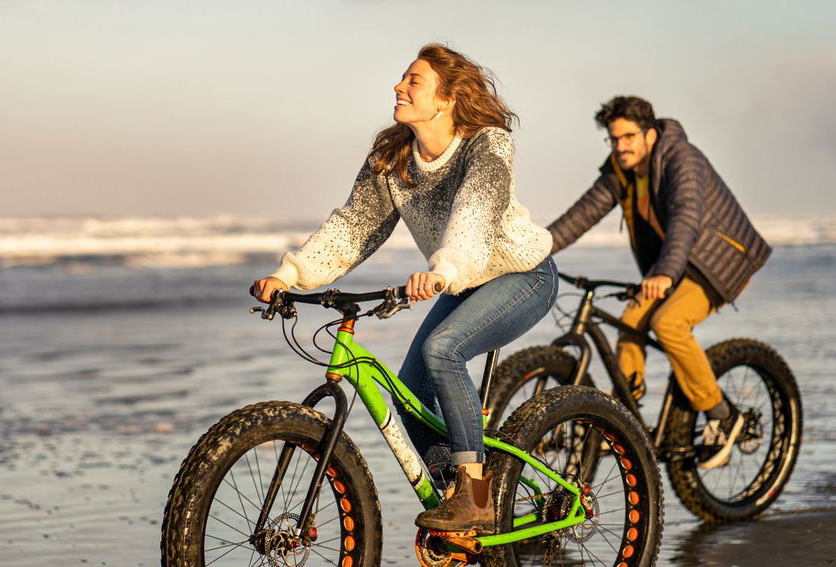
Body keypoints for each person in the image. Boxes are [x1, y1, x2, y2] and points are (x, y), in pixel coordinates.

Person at [252, 44, 556, 534]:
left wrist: (445, 267)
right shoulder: (393, 158)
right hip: (459, 282)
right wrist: (289, 275)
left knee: (443, 350)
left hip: (523, 276)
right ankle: (453, 502)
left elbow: (473, 216)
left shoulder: (488, 144)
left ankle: (477, 495)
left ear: (448, 97)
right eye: (402, 79)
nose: (399, 87)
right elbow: (353, 228)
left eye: (414, 81)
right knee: (411, 391)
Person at [547, 95, 771, 469]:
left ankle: (723, 417)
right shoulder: (620, 172)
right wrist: (530, 250)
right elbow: (580, 216)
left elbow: (686, 214)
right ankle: (624, 422)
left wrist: (664, 272)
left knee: (669, 323)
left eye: (628, 137)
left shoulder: (683, 158)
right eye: (614, 139)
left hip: (719, 260)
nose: (621, 147)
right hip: (675, 263)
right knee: (630, 322)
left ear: (650, 134)